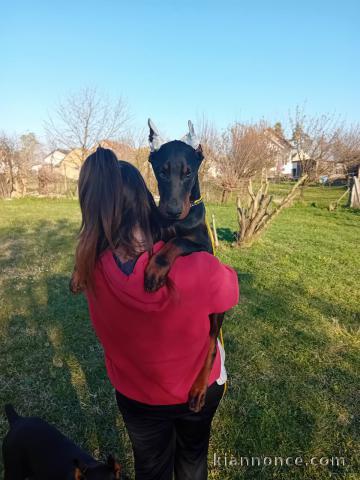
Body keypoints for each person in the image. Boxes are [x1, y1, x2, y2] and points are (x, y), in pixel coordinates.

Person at [73, 147, 239, 480]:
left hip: (137, 397)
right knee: (192, 460)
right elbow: (230, 290)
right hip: (197, 388)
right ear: (146, 201)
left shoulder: (88, 270)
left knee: (151, 470)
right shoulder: (198, 268)